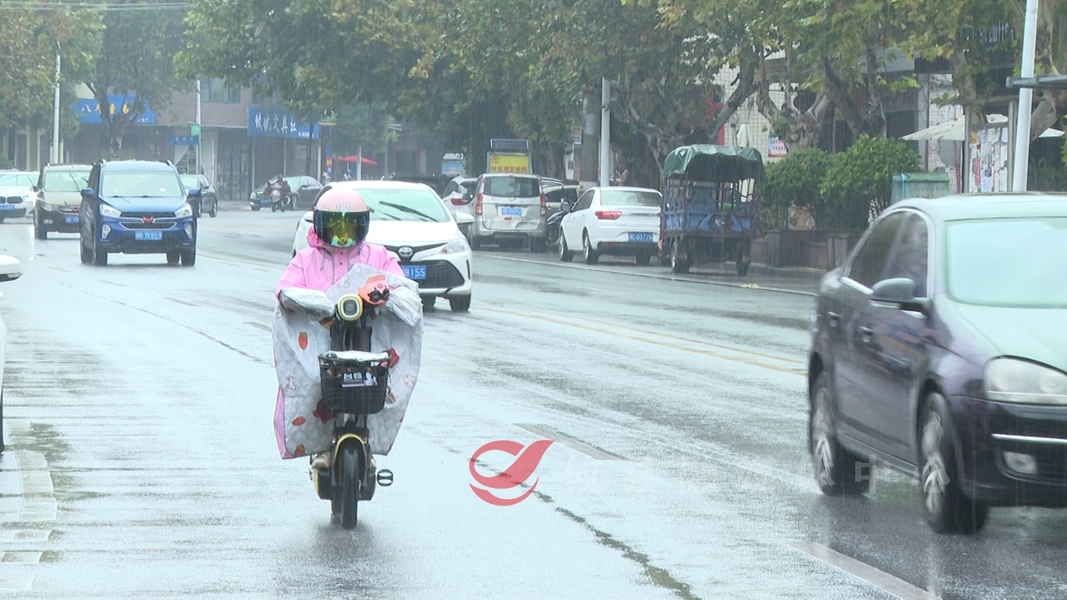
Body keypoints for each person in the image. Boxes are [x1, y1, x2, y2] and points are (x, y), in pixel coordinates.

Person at [276, 187, 403, 470]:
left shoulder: (379, 256)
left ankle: (367, 445)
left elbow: (400, 285)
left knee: (378, 384)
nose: (342, 235)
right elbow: (285, 290)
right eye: (335, 225)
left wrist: (382, 293)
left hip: (369, 339)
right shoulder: (306, 260)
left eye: (349, 225)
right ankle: (320, 447)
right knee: (314, 381)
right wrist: (313, 303)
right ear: (320, 225)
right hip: (321, 343)